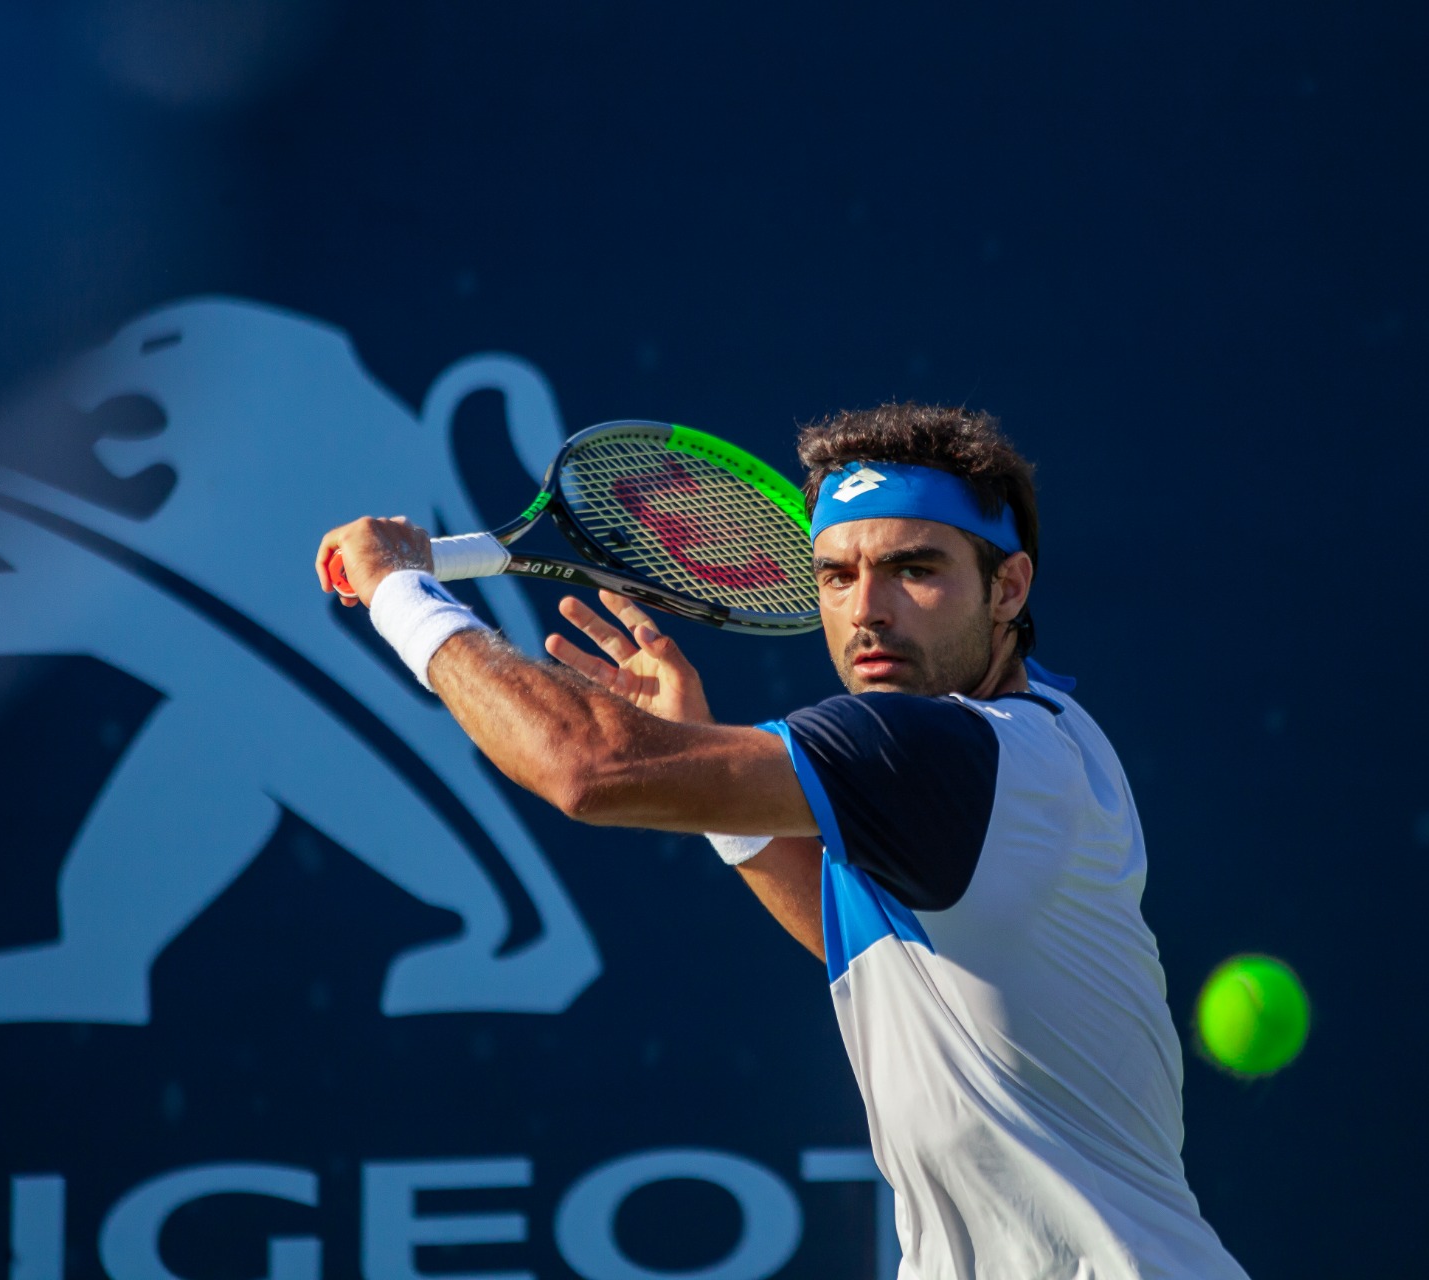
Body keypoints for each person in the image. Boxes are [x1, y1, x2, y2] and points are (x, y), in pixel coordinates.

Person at [315, 402, 1249, 1280]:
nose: (867, 609)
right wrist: (712, 779)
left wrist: (401, 592)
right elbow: (893, 949)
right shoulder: (1043, 735)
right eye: (837, 575)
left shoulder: (947, 749)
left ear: (1008, 587)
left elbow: (585, 767)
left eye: (914, 569)